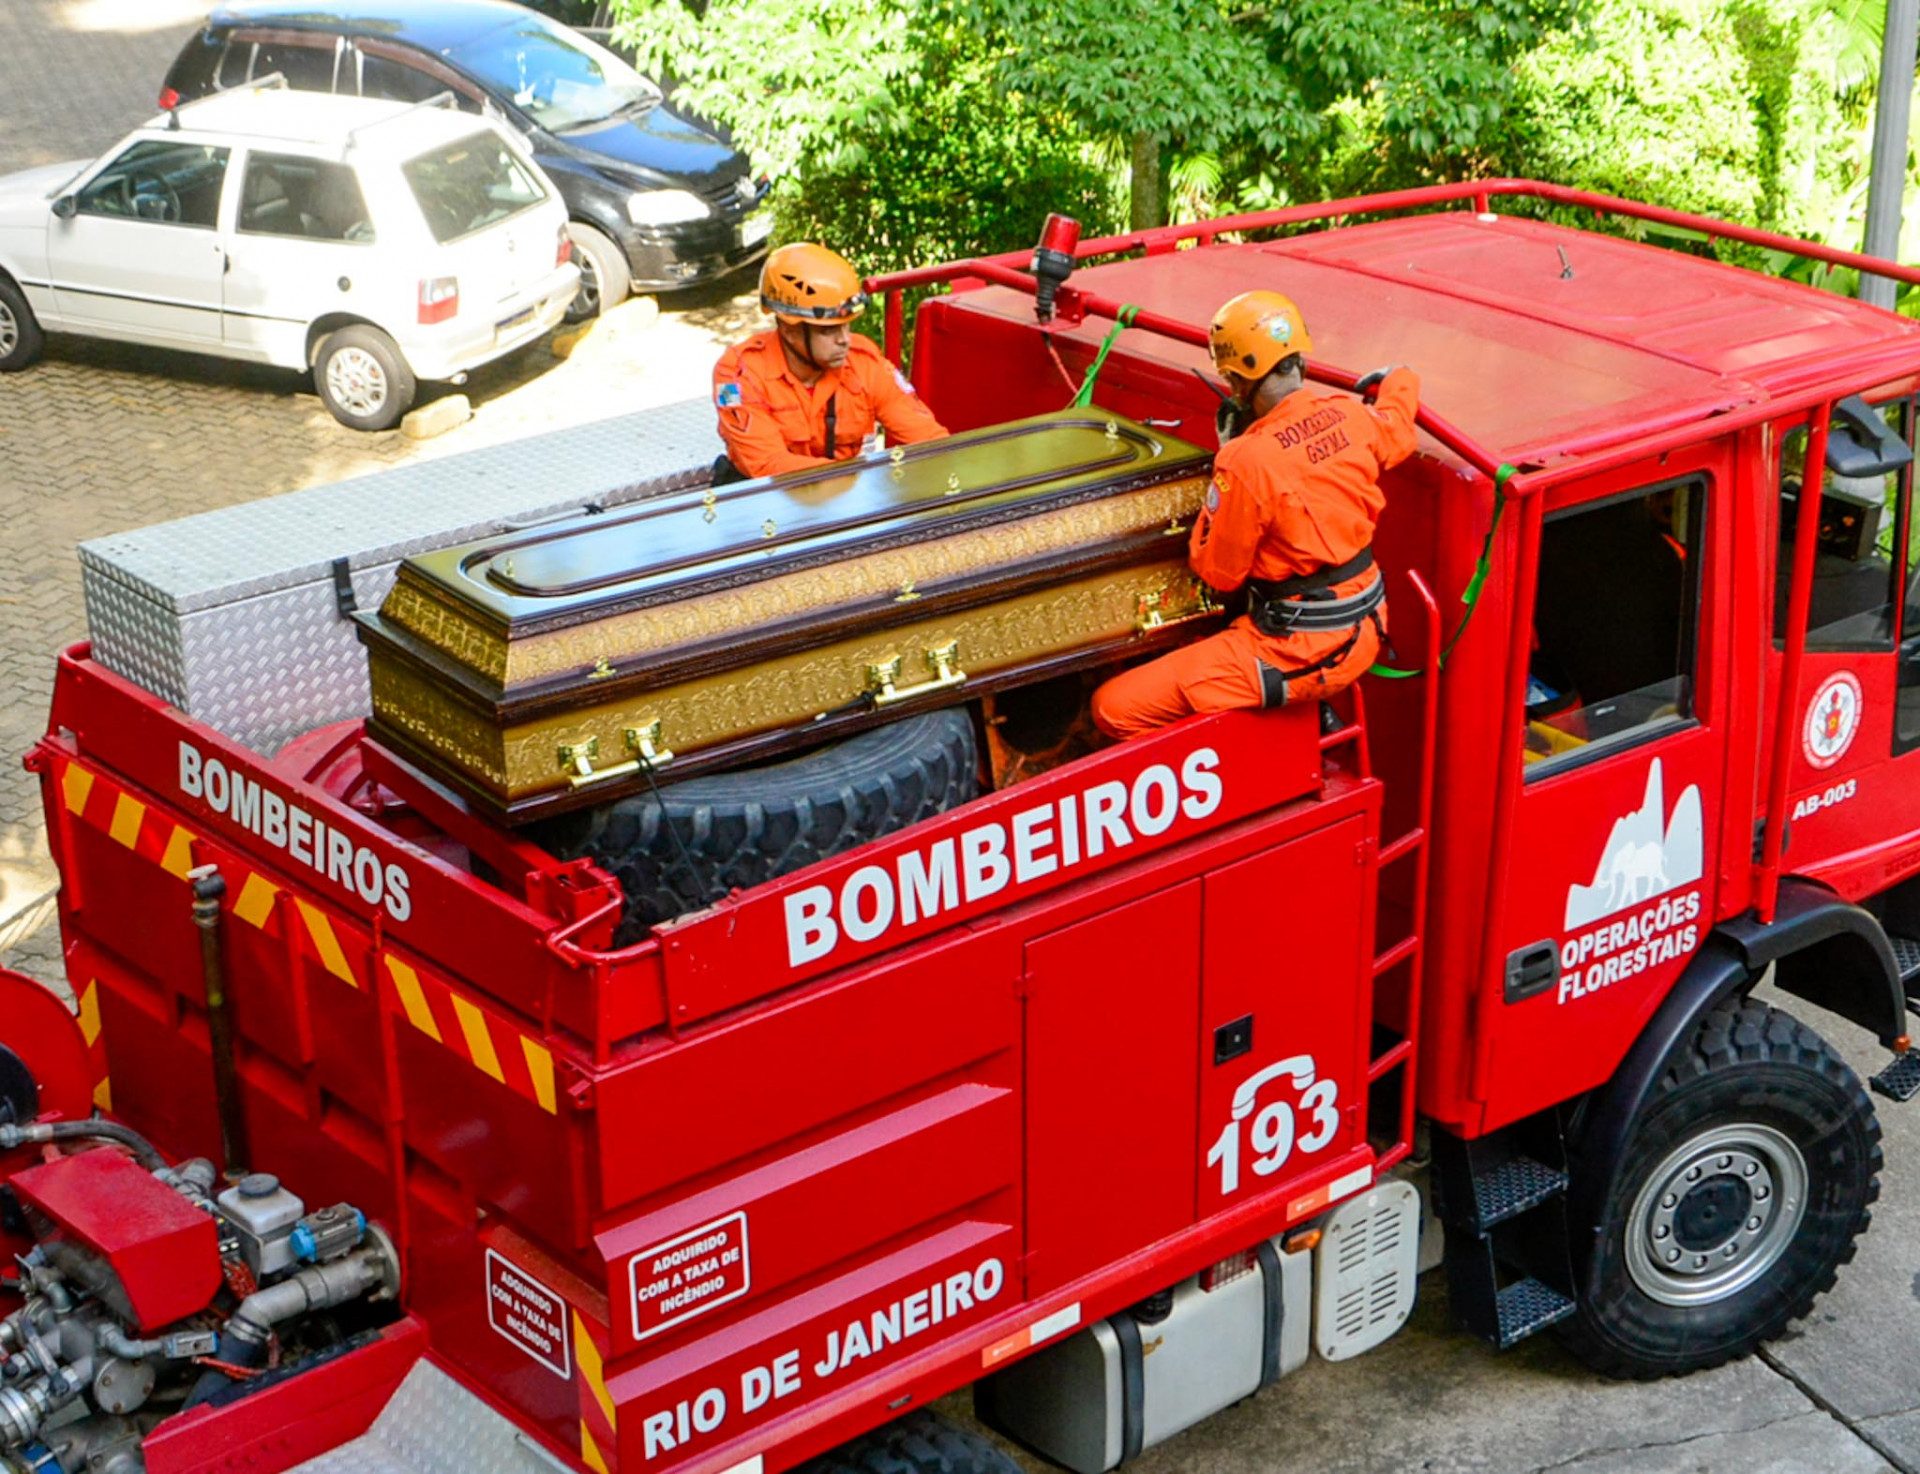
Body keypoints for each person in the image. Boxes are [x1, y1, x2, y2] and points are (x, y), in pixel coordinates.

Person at [1092, 289, 1419, 739]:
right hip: (1367, 626)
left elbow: (1219, 573)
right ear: (1299, 359)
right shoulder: (1352, 416)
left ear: (1238, 384)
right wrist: (1400, 379)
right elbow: (1399, 426)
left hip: (1297, 650)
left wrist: (1225, 464)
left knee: (1114, 708)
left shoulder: (1246, 461)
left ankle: (1248, 755)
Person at [711, 243, 949, 482]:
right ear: (789, 329)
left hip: (844, 493)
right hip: (765, 497)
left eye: (846, 326)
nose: (844, 340)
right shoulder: (735, 377)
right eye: (828, 331)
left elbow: (929, 439)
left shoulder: (864, 363)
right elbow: (767, 465)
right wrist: (856, 482)